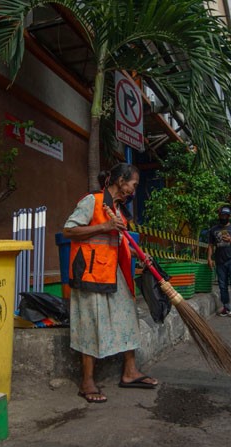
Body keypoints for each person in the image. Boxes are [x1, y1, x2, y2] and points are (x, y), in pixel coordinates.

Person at [64, 163, 158, 404]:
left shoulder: (117, 209)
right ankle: (86, 382)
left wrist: (139, 255)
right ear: (120, 180)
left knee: (128, 317)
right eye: (133, 185)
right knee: (91, 323)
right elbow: (69, 230)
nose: (133, 190)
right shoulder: (92, 201)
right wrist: (104, 226)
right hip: (90, 273)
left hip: (112, 272)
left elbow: (120, 243)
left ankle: (129, 372)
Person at [207, 207, 231, 318]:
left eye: (225, 215)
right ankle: (226, 307)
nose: (223, 217)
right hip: (220, 261)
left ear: (229, 216)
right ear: (219, 216)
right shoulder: (214, 230)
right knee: (222, 286)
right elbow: (210, 245)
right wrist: (209, 258)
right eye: (221, 215)